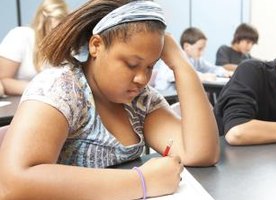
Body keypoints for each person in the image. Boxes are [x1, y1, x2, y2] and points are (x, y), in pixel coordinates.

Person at [0, 0, 220, 199]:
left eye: (150, 66)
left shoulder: (140, 101)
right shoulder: (61, 88)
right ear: (96, 45)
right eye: (132, 64)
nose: (142, 78)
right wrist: (142, 182)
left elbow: (200, 153)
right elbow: (12, 183)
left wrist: (180, 64)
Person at [0, 0, 68, 96]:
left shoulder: (65, 45)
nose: (56, 35)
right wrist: (41, 89)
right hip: (19, 102)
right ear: (42, 24)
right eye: (53, 29)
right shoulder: (20, 35)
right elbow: (3, 80)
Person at [154, 27, 231, 91]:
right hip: (168, 96)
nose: (202, 53)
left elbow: (212, 68)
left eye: (203, 49)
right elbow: (174, 75)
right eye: (200, 49)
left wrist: (225, 72)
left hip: (181, 95)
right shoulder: (175, 57)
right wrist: (202, 76)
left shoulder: (195, 59)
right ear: (187, 46)